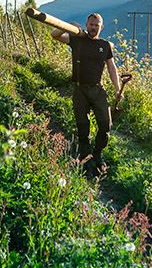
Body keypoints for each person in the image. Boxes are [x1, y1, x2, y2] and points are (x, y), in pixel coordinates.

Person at [50, 13, 121, 175]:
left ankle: (98, 154)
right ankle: (85, 157)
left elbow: (111, 67)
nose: (93, 28)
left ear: (101, 27)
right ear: (86, 25)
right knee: (83, 125)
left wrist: (117, 88)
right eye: (91, 24)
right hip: (79, 89)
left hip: (97, 89)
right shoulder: (76, 40)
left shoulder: (105, 45)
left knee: (105, 124)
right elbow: (54, 35)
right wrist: (67, 25)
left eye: (97, 25)